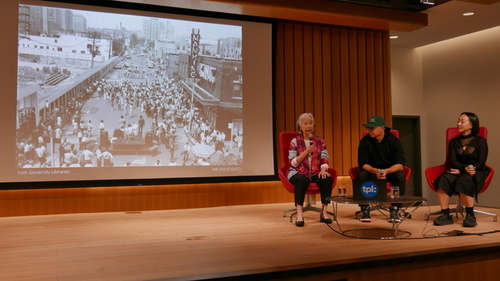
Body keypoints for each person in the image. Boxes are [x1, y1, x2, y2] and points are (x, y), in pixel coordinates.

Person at [433, 112, 489, 227]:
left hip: (476, 171)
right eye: (458, 121)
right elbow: (453, 161)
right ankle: (445, 215)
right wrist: (462, 169)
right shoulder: (454, 142)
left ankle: (470, 215)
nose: (458, 124)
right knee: (444, 179)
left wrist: (467, 170)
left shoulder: (480, 141)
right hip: (458, 169)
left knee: (464, 180)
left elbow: (481, 162)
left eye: (462, 122)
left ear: (471, 125)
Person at [356, 116, 406, 223]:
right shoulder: (365, 141)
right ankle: (365, 209)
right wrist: (376, 171)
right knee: (362, 175)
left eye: (372, 128)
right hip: (372, 171)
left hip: (389, 171)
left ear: (382, 128)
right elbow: (363, 164)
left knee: (400, 176)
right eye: (368, 128)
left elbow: (400, 164)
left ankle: (395, 209)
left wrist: (386, 171)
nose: (369, 131)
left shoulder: (394, 141)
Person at [287, 113, 333, 227]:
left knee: (326, 179)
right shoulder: (295, 141)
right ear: (300, 126)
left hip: (316, 171)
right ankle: (299, 214)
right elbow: (293, 162)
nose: (309, 126)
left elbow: (325, 158)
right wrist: (306, 152)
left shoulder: (320, 141)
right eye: (305, 124)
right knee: (301, 180)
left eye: (311, 123)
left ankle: (324, 212)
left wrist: (323, 169)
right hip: (298, 171)